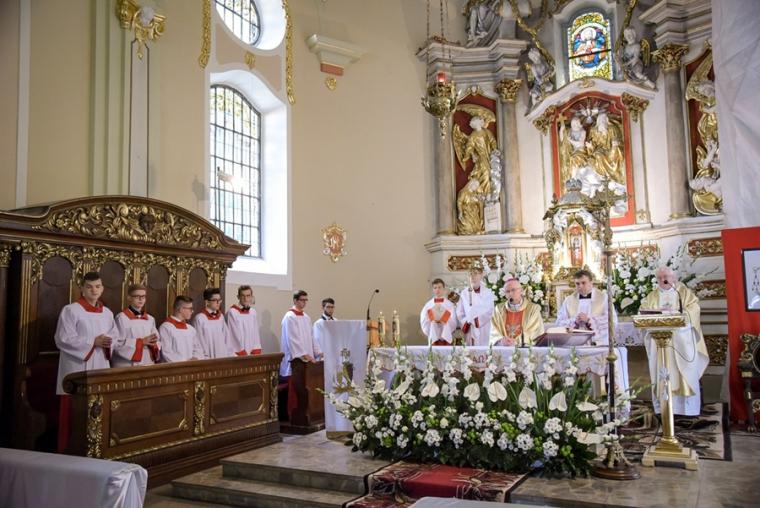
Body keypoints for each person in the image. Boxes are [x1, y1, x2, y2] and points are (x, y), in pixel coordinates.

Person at [54, 271, 118, 452]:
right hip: (77, 367)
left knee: (99, 408)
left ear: (102, 289)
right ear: (82, 288)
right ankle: (70, 451)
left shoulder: (107, 313)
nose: (94, 290)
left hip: (100, 364)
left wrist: (108, 342)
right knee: (74, 413)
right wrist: (92, 342)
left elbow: (114, 336)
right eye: (89, 287)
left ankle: (97, 449)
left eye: (97, 286)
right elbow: (63, 338)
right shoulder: (71, 310)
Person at [640, 266, 709, 416]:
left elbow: (694, 309)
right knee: (662, 372)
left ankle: (687, 409)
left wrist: (678, 315)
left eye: (666, 277)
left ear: (673, 278)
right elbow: (643, 312)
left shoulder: (683, 292)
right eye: (659, 278)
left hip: (682, 340)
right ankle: (664, 408)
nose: (663, 280)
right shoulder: (652, 296)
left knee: (684, 372)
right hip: (659, 341)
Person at [281, 290, 322, 417]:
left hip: (307, 361)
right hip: (296, 361)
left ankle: (310, 413)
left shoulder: (306, 317)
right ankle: (295, 415)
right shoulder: (289, 317)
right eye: (302, 300)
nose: (304, 302)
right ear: (295, 300)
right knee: (297, 388)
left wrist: (318, 352)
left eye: (306, 300)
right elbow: (292, 340)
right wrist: (304, 355)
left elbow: (312, 337)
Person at [555, 269, 616, 345]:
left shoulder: (604, 298)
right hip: (575, 344)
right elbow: (559, 323)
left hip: (597, 343)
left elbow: (612, 320)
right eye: (577, 283)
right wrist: (575, 322)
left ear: (591, 282)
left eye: (583, 283)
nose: (580, 286)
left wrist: (589, 320)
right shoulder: (568, 300)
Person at [113, 284, 160, 367]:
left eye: (143, 296)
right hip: (127, 364)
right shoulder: (121, 318)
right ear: (129, 298)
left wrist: (154, 343)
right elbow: (116, 344)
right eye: (137, 296)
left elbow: (157, 341)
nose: (141, 299)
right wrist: (141, 342)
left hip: (147, 361)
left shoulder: (150, 319)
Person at [490, 278, 544, 346]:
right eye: (507, 291)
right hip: (504, 348)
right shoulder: (498, 309)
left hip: (525, 349)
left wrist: (516, 342)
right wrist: (501, 341)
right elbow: (494, 330)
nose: (510, 293)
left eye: (513, 290)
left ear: (521, 291)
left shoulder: (533, 309)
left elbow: (534, 331)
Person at [456, 264, 495, 346]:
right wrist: (467, 321)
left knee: (485, 350)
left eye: (476, 273)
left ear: (481, 275)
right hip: (470, 328)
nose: (473, 277)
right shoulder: (464, 293)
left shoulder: (488, 293)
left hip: (484, 328)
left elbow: (490, 311)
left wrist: (476, 321)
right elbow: (460, 312)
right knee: (471, 351)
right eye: (471, 274)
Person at [160, 296, 203, 362]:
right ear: (180, 309)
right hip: (176, 367)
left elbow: (198, 349)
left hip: (192, 366)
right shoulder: (166, 327)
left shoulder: (191, 329)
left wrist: (195, 358)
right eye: (190, 309)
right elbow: (166, 352)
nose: (192, 311)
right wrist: (185, 363)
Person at [192, 287, 231, 358]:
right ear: (207, 302)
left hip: (223, 356)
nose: (218, 303)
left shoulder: (221, 317)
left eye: (219, 300)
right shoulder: (200, 318)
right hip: (208, 358)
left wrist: (228, 354)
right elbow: (199, 341)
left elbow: (226, 338)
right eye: (215, 300)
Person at [226, 285, 262, 356]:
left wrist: (255, 350)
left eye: (248, 296)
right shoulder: (232, 312)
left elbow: (255, 333)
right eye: (243, 296)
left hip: (251, 354)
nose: (245, 299)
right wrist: (242, 353)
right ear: (238, 297)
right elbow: (233, 336)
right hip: (237, 354)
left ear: (251, 297)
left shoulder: (253, 312)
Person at [420, 279, 458, 345]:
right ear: (433, 290)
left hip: (446, 336)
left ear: (444, 288)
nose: (437, 290)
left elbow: (454, 321)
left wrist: (444, 320)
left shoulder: (450, 305)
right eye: (435, 288)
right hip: (433, 335)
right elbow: (424, 320)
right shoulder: (428, 305)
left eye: (439, 287)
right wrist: (432, 321)